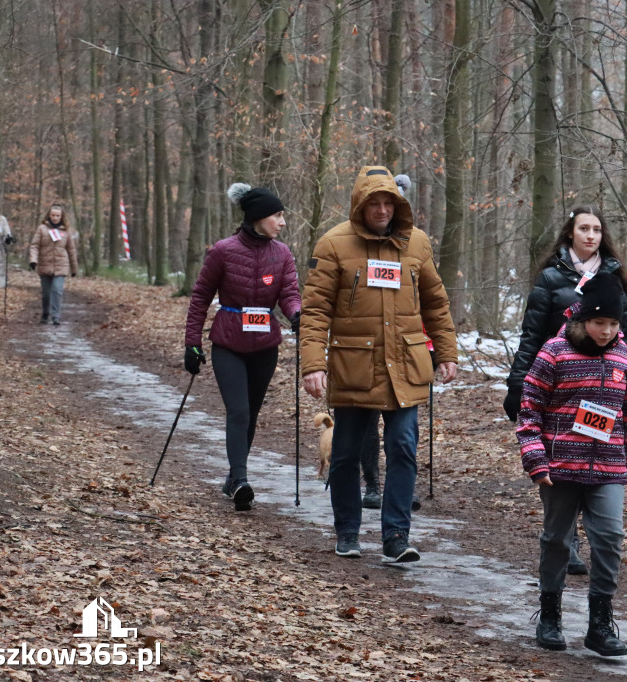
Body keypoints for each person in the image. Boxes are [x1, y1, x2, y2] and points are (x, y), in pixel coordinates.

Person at [301, 166, 457, 563]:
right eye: (375, 203)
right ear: (360, 204)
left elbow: (436, 302)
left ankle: (396, 535)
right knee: (347, 452)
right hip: (355, 365)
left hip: (405, 365)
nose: (383, 209)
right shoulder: (334, 244)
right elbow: (315, 311)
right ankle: (348, 531)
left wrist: (448, 351)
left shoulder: (417, 243)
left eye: (389, 202)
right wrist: (313, 364)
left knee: (403, 446)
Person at [504, 206, 627, 575]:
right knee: (564, 466)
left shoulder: (614, 277)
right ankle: (565, 542)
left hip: (604, 386)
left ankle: (580, 545)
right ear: (570, 233)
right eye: (583, 228)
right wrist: (518, 384)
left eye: (597, 229)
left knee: (596, 465)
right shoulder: (552, 278)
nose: (591, 235)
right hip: (559, 384)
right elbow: (532, 336)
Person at [517, 271, 627, 657]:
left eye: (613, 323)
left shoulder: (622, 356)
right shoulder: (554, 352)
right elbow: (529, 411)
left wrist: (624, 457)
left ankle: (600, 624)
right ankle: (550, 616)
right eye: (599, 322)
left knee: (610, 540)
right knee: (556, 540)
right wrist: (536, 459)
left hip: (607, 468)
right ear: (582, 319)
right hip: (559, 467)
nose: (606, 331)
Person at [184, 183, 301, 512]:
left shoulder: (283, 254)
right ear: (259, 217)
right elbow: (200, 298)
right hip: (228, 342)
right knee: (238, 411)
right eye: (277, 216)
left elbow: (289, 293)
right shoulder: (223, 250)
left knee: (250, 413)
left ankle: (234, 477)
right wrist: (192, 343)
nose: (282, 222)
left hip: (265, 344)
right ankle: (239, 479)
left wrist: (296, 314)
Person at [28, 204, 78, 325]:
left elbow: (71, 250)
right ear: (49, 215)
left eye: (58, 215)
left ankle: (56, 315)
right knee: (46, 293)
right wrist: (33, 260)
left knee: (57, 290)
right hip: (44, 265)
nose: (55, 218)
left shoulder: (66, 231)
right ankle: (45, 313)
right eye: (53, 215)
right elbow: (34, 245)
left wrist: (74, 268)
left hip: (61, 266)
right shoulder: (42, 229)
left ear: (61, 217)